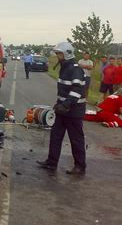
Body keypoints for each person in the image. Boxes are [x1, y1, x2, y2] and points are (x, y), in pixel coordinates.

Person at [37, 41, 86, 175]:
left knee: (76, 139)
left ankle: (80, 166)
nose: (58, 56)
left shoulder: (75, 69)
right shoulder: (64, 68)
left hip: (74, 111)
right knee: (55, 136)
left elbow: (77, 90)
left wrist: (66, 104)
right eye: (57, 53)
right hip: (63, 110)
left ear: (67, 54)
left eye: (59, 53)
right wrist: (59, 104)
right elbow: (64, 91)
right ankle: (51, 163)